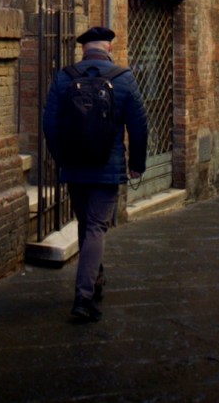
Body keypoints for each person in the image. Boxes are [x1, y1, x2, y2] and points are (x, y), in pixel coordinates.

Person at [43, 25, 148, 323]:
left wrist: (61, 158)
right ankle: (83, 297)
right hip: (107, 167)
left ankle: (95, 279)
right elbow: (139, 126)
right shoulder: (124, 79)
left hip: (74, 166)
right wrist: (137, 164)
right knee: (96, 227)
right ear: (109, 48)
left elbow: (49, 123)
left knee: (87, 224)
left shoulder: (65, 78)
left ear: (83, 50)